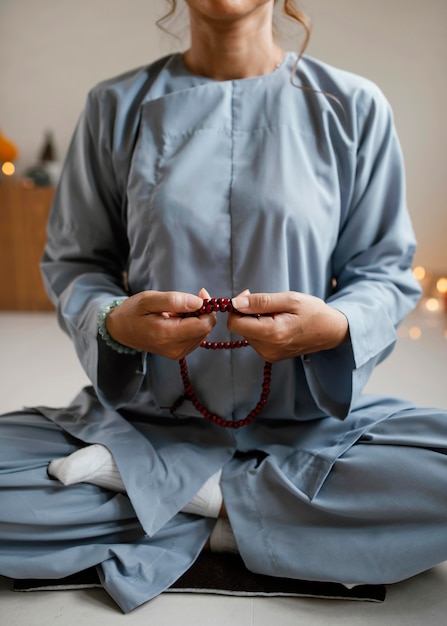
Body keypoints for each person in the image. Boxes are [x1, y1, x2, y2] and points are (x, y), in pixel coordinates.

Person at [1, 0, 446, 614]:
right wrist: (115, 323)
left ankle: (186, 501)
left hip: (307, 426)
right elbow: (76, 263)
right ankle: (268, 519)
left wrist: (336, 326)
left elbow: (383, 272)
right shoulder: (115, 105)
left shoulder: (353, 105)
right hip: (146, 424)